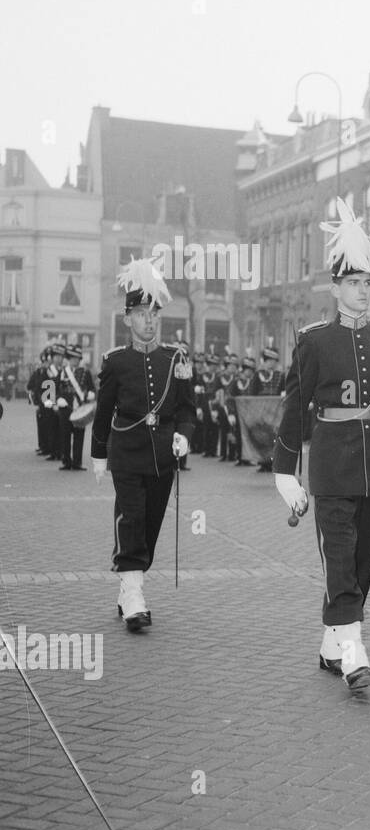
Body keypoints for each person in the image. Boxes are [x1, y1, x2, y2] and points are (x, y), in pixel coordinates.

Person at [272, 197, 370, 694]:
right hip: (332, 465)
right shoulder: (313, 339)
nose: (362, 291)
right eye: (353, 282)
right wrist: (285, 472)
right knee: (339, 552)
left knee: (364, 557)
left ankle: (333, 641)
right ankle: (354, 653)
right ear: (335, 287)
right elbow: (296, 404)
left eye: (368, 282)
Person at [90, 259, 196, 632]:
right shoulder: (116, 362)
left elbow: (187, 409)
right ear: (127, 319)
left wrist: (184, 433)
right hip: (127, 453)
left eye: (153, 313)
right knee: (131, 517)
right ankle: (134, 594)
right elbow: (103, 413)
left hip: (163, 456)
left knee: (150, 524)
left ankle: (128, 585)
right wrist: (99, 453)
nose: (148, 321)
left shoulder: (175, 359)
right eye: (140, 313)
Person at [56, 344, 95, 470]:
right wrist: (58, 399)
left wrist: (91, 394)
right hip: (65, 409)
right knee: (65, 436)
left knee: (79, 436)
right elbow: (54, 390)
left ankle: (77, 463)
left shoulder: (85, 372)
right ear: (68, 358)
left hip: (80, 409)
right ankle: (66, 462)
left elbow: (92, 388)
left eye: (77, 358)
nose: (75, 360)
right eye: (72, 358)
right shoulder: (62, 372)